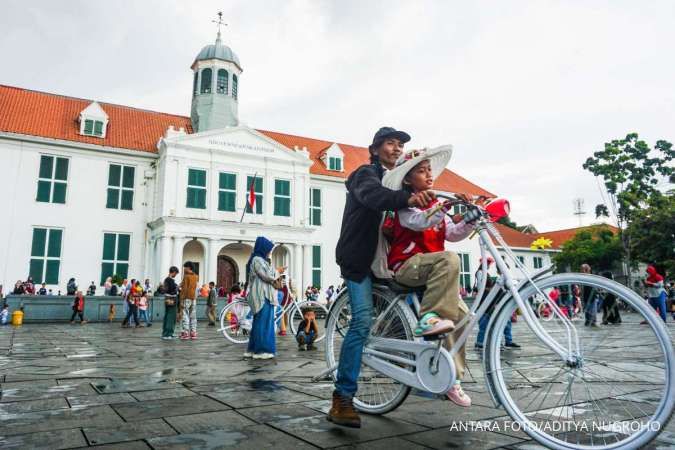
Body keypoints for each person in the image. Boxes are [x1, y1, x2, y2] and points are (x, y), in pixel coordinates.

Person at [329, 127, 433, 428]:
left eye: (400, 145)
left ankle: (422, 372)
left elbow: (412, 203)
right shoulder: (365, 174)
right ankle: (342, 398)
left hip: (387, 261)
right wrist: (409, 199)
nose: (397, 148)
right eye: (391, 143)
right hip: (359, 260)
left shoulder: (399, 181)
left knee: (417, 307)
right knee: (361, 321)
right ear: (374, 149)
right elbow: (374, 196)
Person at [383, 146, 476, 407]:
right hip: (407, 266)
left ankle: (451, 378)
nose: (428, 174)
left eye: (429, 170)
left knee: (462, 317)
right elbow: (419, 222)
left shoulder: (436, 204)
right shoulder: (404, 202)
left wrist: (468, 217)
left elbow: (453, 233)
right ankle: (428, 318)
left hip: (432, 270)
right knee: (449, 258)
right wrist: (444, 206)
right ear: (408, 179)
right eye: (421, 171)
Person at [244, 236, 279, 360]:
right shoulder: (258, 260)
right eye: (269, 249)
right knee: (264, 323)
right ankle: (262, 350)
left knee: (259, 323)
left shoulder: (258, 259)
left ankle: (253, 349)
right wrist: (277, 273)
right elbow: (265, 276)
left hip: (261, 295)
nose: (270, 252)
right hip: (262, 296)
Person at [474, 257, 521, 350]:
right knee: (485, 322)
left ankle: (506, 341)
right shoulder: (480, 273)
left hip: (493, 301)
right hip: (486, 301)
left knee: (502, 322)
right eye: (487, 264)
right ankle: (481, 343)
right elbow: (480, 288)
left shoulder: (487, 274)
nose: (488, 266)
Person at [179, 261, 199, 340]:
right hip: (193, 298)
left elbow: (184, 289)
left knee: (185, 315)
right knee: (193, 316)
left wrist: (181, 299)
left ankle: (185, 333)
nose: (184, 269)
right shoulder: (195, 276)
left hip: (186, 297)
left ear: (188, 267)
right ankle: (193, 333)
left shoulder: (186, 276)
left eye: (185, 267)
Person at [161, 266, 180, 340]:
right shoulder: (170, 280)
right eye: (176, 273)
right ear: (174, 272)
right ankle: (168, 333)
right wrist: (177, 288)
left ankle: (165, 333)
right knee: (171, 317)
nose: (176, 275)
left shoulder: (166, 279)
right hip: (172, 299)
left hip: (167, 299)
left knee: (167, 315)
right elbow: (172, 290)